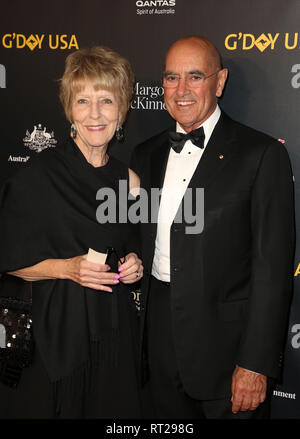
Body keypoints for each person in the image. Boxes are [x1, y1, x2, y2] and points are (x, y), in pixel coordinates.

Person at [130, 35, 295, 419]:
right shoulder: (145, 154)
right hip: (156, 344)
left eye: (195, 77)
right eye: (172, 78)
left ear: (219, 82)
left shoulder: (262, 155)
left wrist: (255, 363)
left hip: (228, 355)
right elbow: (135, 236)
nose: (181, 90)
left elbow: (272, 272)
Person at [0, 46, 143, 418]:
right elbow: (8, 259)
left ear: (122, 109)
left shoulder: (130, 182)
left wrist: (134, 266)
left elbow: (131, 251)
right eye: (83, 101)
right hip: (58, 338)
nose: (95, 114)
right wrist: (66, 268)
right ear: (70, 110)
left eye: (106, 101)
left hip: (114, 335)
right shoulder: (40, 175)